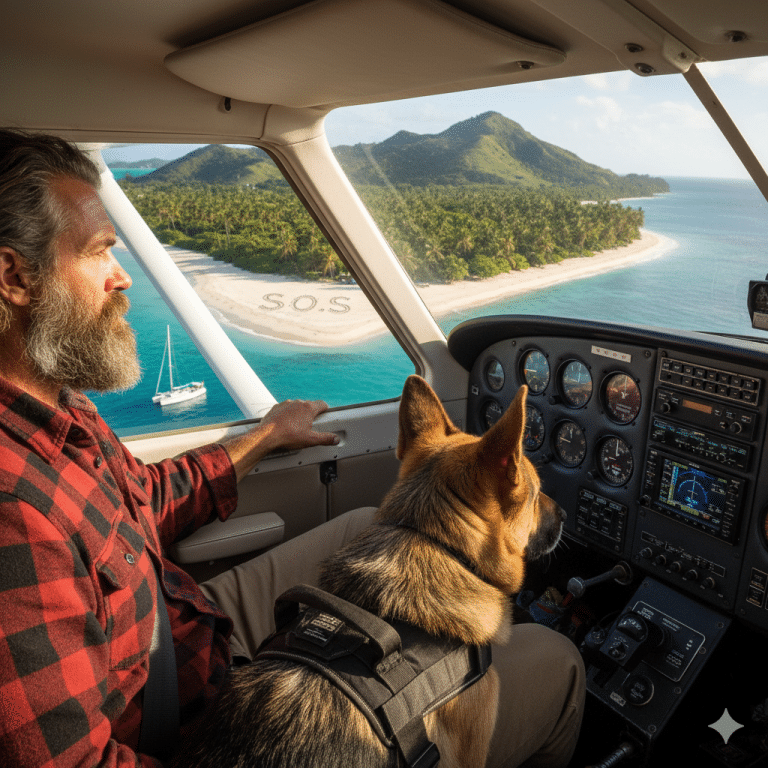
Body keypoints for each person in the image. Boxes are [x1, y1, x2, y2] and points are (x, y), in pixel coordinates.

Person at [0, 129, 584, 767]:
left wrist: (265, 437)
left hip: (180, 636)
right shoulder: (12, 513)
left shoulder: (60, 407)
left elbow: (143, 499)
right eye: (98, 253)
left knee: (363, 524)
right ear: (14, 277)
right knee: (555, 660)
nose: (121, 279)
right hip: (182, 723)